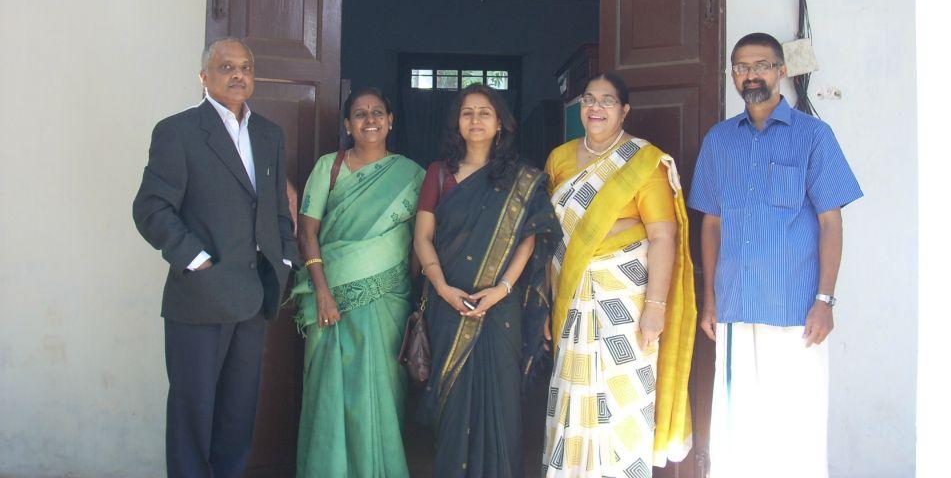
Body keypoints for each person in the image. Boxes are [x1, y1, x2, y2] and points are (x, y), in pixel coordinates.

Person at [688, 32, 863, 478]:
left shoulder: (813, 136)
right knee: (736, 429)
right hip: (735, 307)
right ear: (732, 75)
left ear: (781, 71)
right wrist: (709, 299)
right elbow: (711, 222)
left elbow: (831, 222)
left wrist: (825, 301)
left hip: (795, 313)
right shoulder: (719, 140)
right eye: (742, 67)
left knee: (794, 429)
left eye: (761, 65)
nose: (751, 75)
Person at [133, 37, 299, 478]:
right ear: (204, 76)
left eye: (245, 67)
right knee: (192, 415)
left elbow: (278, 209)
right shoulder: (179, 131)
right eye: (226, 67)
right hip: (199, 299)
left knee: (236, 415)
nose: (238, 74)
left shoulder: (269, 134)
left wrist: (284, 262)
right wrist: (197, 259)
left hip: (252, 297)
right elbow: (150, 208)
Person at [542, 72, 697, 478]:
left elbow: (664, 235)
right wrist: (545, 301)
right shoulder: (558, 159)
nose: (595, 107)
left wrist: (656, 308)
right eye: (589, 99)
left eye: (607, 100)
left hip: (626, 299)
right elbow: (547, 234)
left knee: (623, 397)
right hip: (570, 294)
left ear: (624, 110)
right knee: (572, 395)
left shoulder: (645, 161)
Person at [413, 83, 560, 478]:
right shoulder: (439, 174)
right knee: (453, 403)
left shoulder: (522, 180)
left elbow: (530, 238)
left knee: (502, 404)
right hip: (449, 303)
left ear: (500, 124)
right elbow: (422, 237)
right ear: (457, 123)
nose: (475, 119)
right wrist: (442, 288)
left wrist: (502, 289)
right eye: (467, 112)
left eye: (484, 112)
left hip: (501, 306)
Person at [289, 87, 425, 478]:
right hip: (330, 298)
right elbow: (307, 233)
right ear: (347, 125)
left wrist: (402, 287)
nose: (370, 120)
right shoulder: (328, 167)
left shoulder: (411, 175)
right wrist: (322, 291)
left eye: (377, 112)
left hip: (389, 300)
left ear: (390, 120)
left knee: (380, 393)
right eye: (360, 114)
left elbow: (420, 240)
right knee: (331, 392)